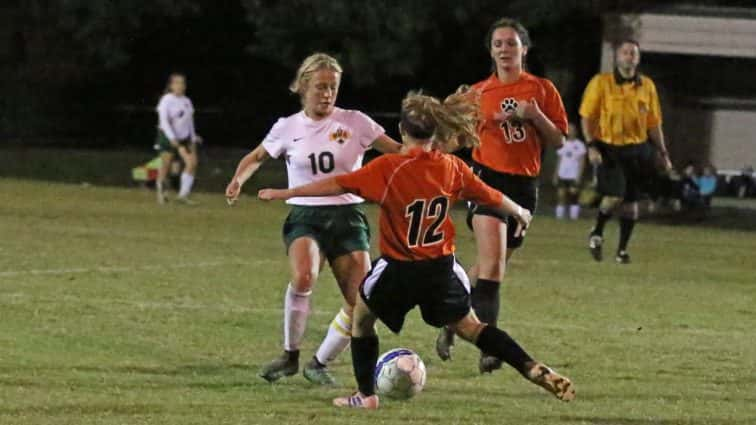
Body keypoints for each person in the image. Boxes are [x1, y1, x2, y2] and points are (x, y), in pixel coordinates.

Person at [258, 91, 575, 409]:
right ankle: (529, 365)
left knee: (362, 318)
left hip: (399, 268)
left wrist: (287, 191)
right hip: (441, 268)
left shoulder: (389, 167)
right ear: (435, 131)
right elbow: (489, 195)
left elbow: (337, 184)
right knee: (471, 327)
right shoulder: (451, 167)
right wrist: (519, 211)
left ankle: (365, 395)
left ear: (402, 132)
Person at [225, 53, 402, 385]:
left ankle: (319, 363)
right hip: (306, 215)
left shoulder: (356, 122)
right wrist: (239, 179)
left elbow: (397, 151)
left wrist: (429, 154)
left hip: (348, 216)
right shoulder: (287, 126)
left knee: (363, 302)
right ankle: (290, 356)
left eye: (333, 87)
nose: (328, 94)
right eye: (321, 87)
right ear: (303, 86)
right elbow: (256, 156)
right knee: (304, 277)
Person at [436, 17, 568, 373]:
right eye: (498, 44)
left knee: (489, 268)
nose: (505, 50)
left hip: (525, 187)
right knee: (493, 265)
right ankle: (489, 348)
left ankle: (452, 321)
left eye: (511, 43)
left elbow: (558, 140)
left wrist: (536, 116)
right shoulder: (478, 94)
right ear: (491, 51)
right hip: (487, 181)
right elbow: (455, 138)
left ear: (524, 48)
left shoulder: (541, 90)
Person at [580, 39, 673, 264]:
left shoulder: (647, 86)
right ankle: (597, 232)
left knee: (632, 204)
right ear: (617, 57)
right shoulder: (601, 83)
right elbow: (587, 116)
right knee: (615, 195)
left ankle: (622, 251)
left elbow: (653, 123)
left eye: (633, 53)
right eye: (625, 52)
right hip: (609, 148)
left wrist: (662, 152)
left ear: (638, 58)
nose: (629, 56)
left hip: (638, 150)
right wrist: (591, 145)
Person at [155, 73, 203, 204]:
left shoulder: (187, 101)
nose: (180, 86)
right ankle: (161, 193)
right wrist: (171, 138)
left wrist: (193, 137)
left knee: (192, 163)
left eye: (182, 83)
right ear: (171, 85)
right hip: (168, 136)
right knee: (166, 165)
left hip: (184, 138)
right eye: (177, 83)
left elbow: (189, 121)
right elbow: (164, 121)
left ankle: (183, 195)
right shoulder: (166, 100)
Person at [553, 123, 587, 219]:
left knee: (574, 196)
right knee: (560, 196)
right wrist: (556, 174)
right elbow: (559, 160)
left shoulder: (580, 145)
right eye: (569, 129)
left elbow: (582, 162)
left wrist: (579, 175)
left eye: (573, 129)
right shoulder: (562, 143)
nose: (571, 131)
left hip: (573, 175)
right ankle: (559, 218)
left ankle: (573, 218)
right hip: (562, 174)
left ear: (576, 132)